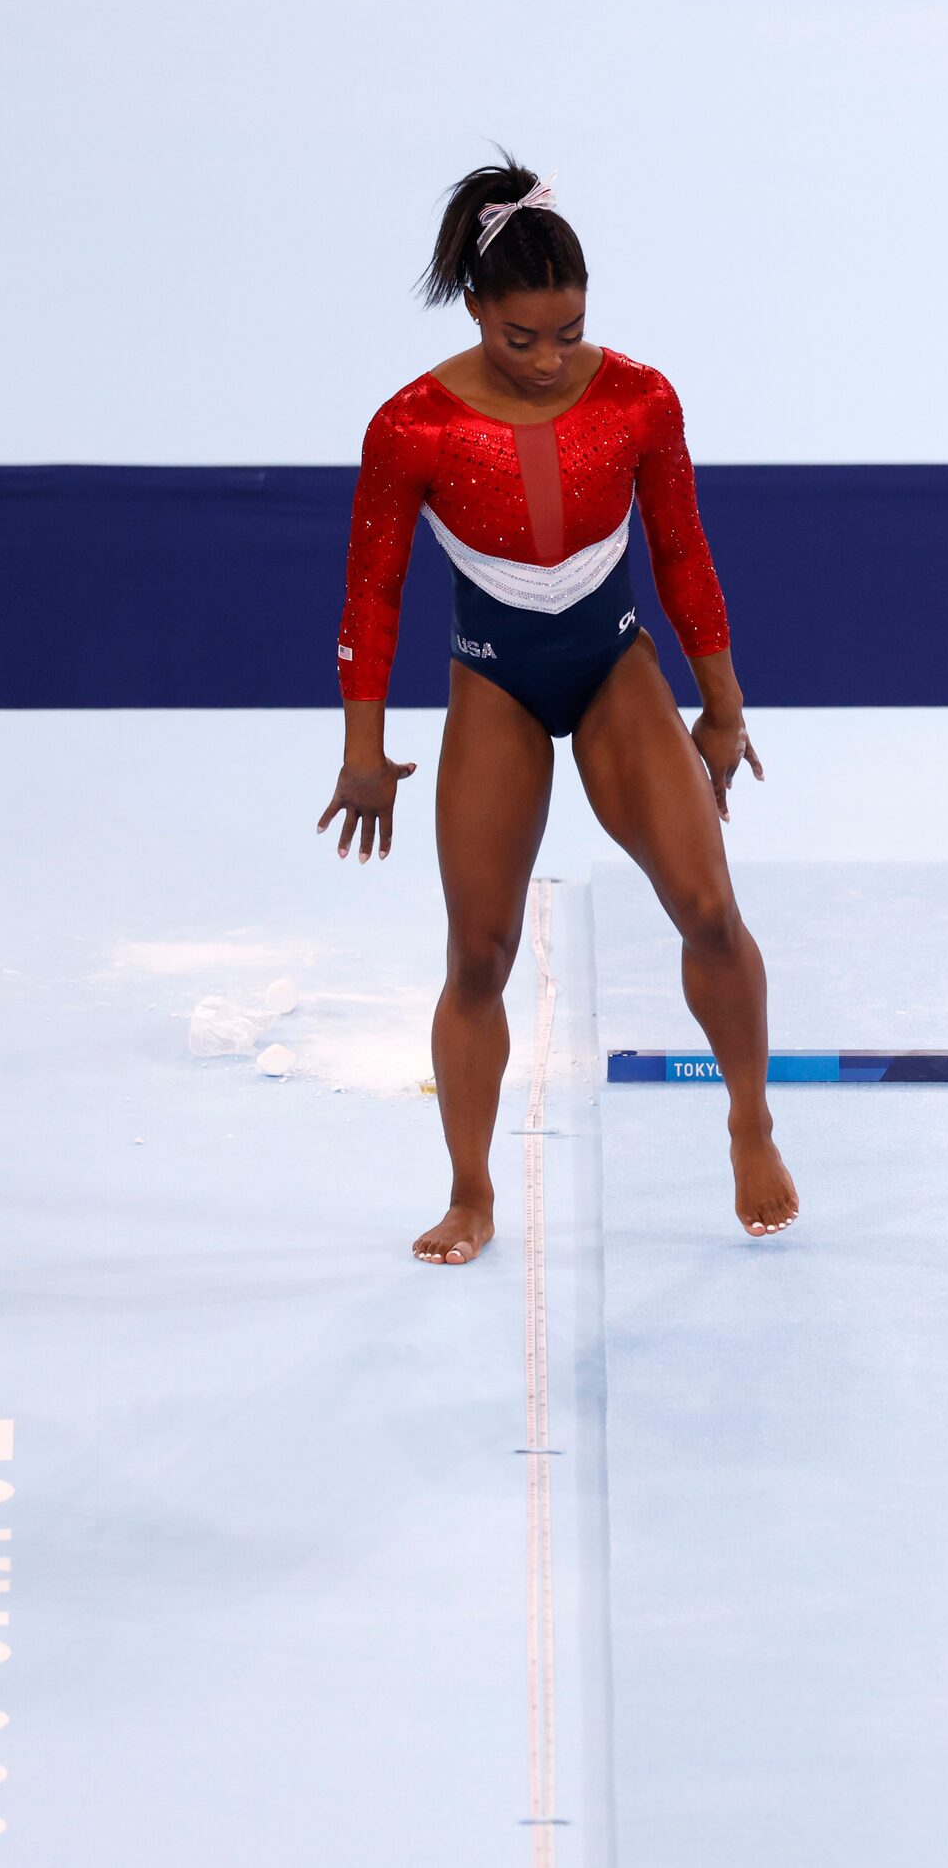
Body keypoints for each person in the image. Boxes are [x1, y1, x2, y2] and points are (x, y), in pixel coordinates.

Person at [319, 157, 799, 1260]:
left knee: (709, 911)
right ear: (476, 308)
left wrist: (722, 709)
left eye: (567, 332)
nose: (545, 360)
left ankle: (750, 1119)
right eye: (518, 337)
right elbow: (372, 592)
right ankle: (471, 1195)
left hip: (611, 664)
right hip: (493, 675)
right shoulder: (413, 428)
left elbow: (682, 553)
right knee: (477, 954)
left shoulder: (637, 397)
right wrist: (362, 749)